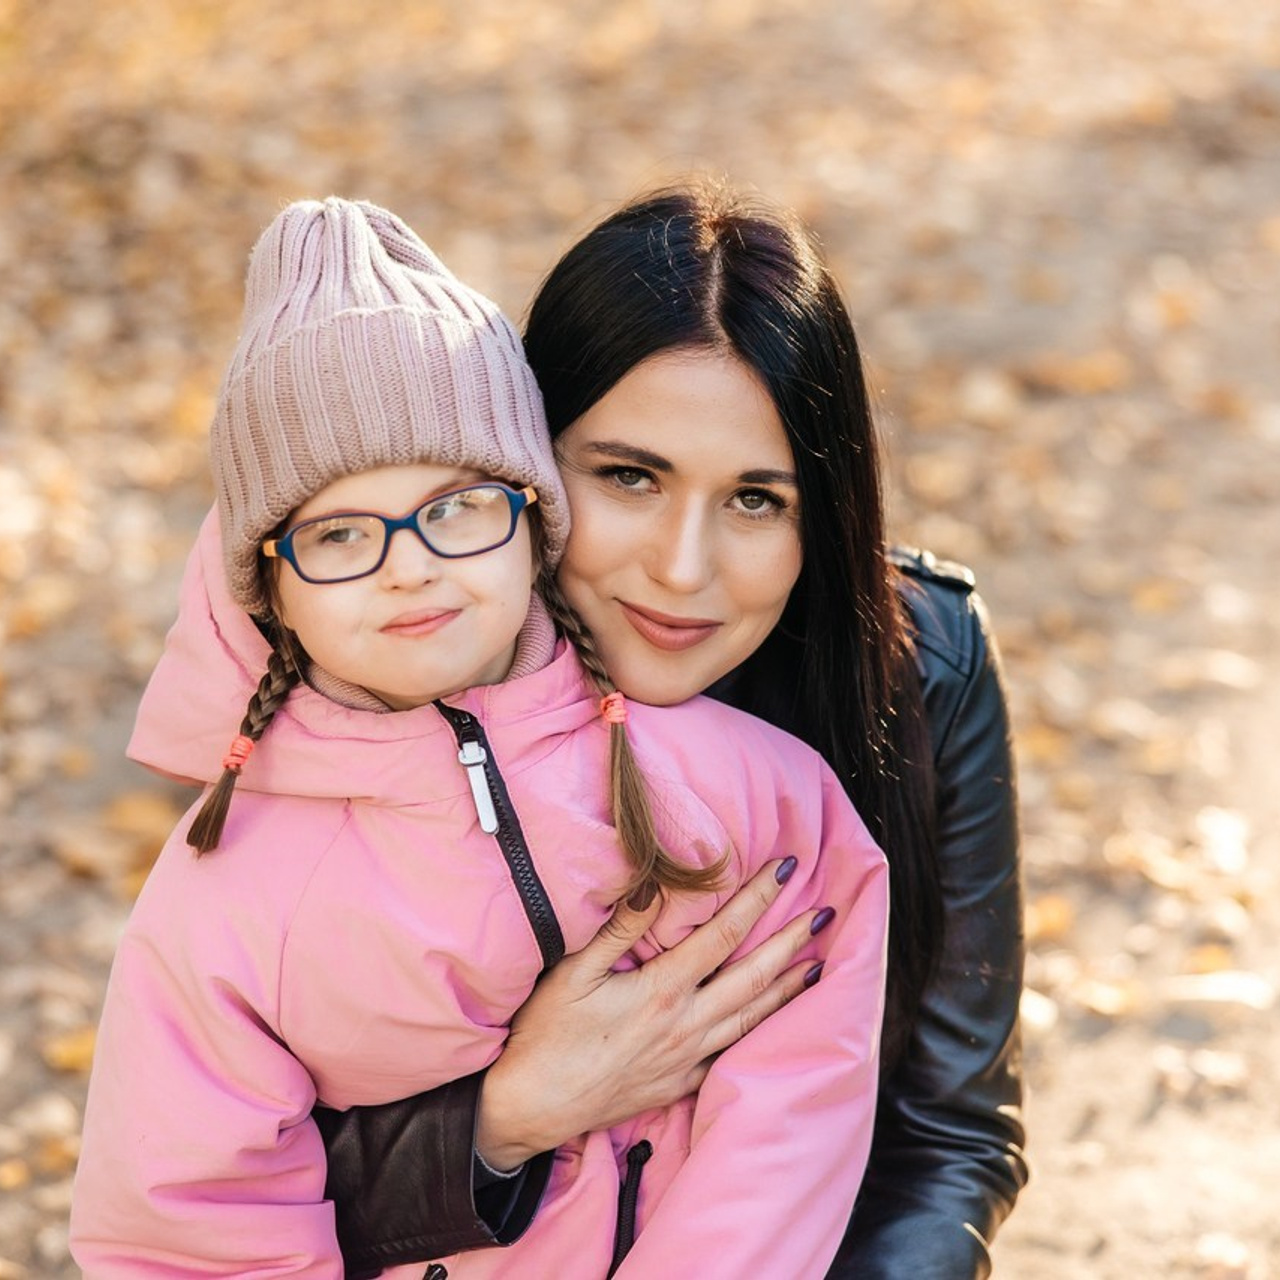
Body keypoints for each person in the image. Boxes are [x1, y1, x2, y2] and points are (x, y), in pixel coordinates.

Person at [68, 197, 891, 1278]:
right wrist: (502, 1117)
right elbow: (185, 1228)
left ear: (530, 516)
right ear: (266, 586)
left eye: (457, 506)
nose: (408, 564)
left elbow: (793, 1109)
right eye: (340, 533)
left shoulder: (744, 783)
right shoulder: (223, 901)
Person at [319, 180, 1029, 1280]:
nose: (682, 570)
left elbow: (946, 1134)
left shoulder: (916, 668)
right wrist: (503, 1117)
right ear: (524, 458)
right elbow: (225, 1187)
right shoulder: (363, 678)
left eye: (756, 499)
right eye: (628, 476)